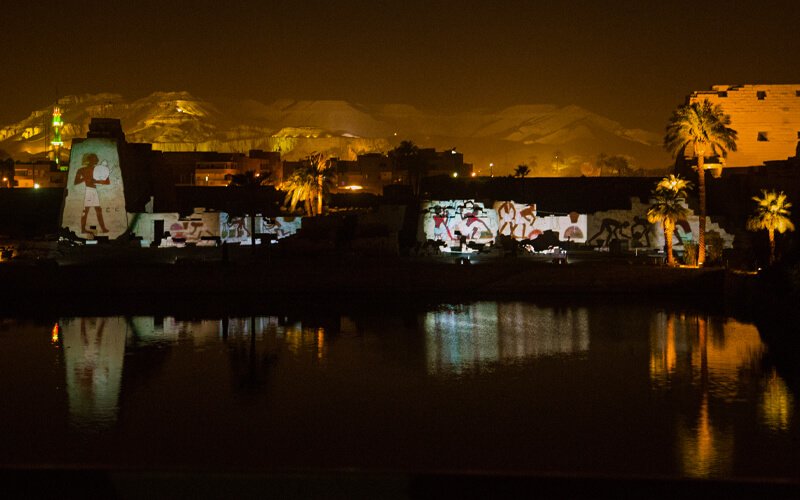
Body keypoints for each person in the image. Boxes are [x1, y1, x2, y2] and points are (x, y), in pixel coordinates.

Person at [73, 153, 110, 234]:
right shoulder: (82, 170)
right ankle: (83, 229)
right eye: (93, 159)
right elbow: (76, 182)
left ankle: (103, 228)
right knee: (86, 210)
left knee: (97, 210)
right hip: (89, 190)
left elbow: (107, 181)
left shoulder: (98, 169)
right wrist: (85, 179)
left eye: (95, 159)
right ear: (89, 160)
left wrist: (98, 181)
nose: (95, 161)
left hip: (94, 191)